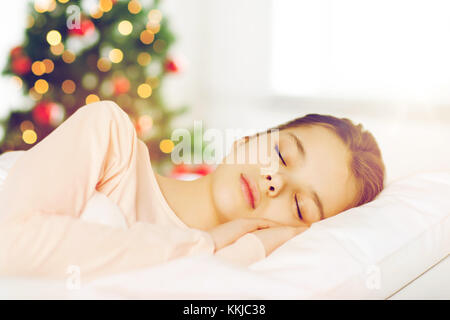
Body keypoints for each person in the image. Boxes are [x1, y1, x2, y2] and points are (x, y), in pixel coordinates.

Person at [0, 100, 385, 282]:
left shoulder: (238, 271)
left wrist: (240, 252)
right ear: (252, 137)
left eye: (300, 205)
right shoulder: (111, 139)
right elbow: (8, 242)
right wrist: (201, 247)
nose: (276, 181)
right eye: (281, 153)